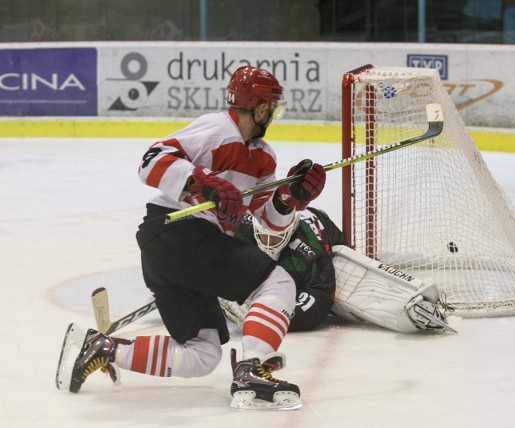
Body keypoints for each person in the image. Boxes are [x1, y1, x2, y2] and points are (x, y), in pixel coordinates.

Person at [64, 66, 326, 410]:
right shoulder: (218, 130)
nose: (273, 113)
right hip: (175, 231)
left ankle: (106, 349)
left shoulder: (264, 157)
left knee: (202, 353)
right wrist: (201, 181)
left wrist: (291, 198)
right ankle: (252, 370)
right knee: (277, 284)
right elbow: (150, 160)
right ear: (259, 107)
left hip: (175, 251)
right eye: (271, 106)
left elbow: (271, 222)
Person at [223, 207, 455, 334]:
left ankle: (410, 300)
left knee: (345, 285)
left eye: (277, 236)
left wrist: (265, 314)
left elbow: (321, 300)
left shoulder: (308, 251)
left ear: (291, 230)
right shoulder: (240, 228)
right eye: (263, 235)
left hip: (330, 240)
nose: (269, 242)